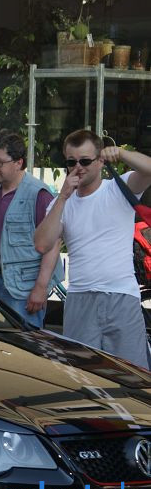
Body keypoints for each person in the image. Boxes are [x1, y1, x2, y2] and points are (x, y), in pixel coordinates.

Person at [35, 129, 151, 369]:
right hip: (80, 297)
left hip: (121, 296)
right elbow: (42, 244)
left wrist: (121, 153)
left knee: (132, 375)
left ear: (100, 161)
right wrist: (63, 197)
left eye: (85, 161)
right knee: (84, 376)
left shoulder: (117, 188)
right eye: (71, 162)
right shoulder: (62, 202)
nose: (78, 167)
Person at [0, 130, 63, 329]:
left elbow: (53, 244)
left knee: (25, 350)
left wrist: (40, 288)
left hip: (23, 291)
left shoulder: (38, 194)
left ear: (18, 162)